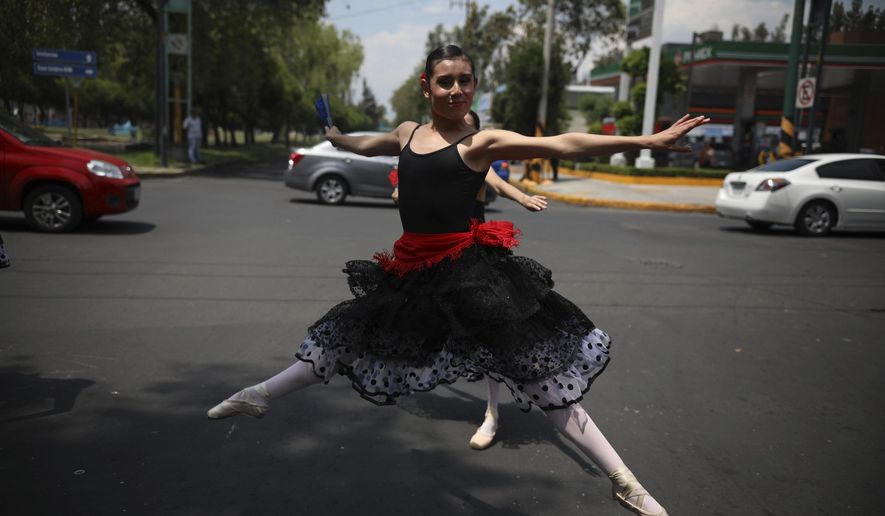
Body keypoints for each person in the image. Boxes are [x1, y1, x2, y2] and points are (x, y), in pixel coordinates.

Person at [208, 44, 707, 516]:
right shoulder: (407, 132)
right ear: (426, 86)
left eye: (464, 81)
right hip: (410, 272)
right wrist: (339, 138)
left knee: (543, 378)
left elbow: (561, 142)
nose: (455, 90)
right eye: (445, 82)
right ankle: (260, 395)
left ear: (473, 86)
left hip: (468, 274)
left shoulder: (480, 142)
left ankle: (626, 483)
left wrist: (643, 140)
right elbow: (371, 143)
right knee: (348, 339)